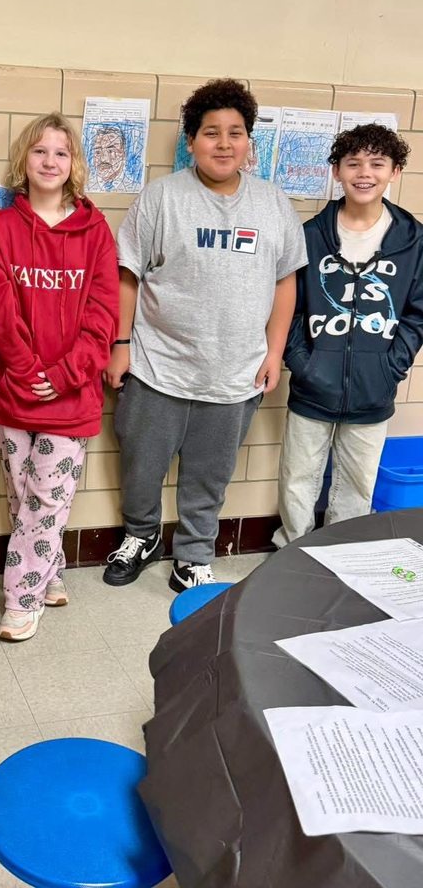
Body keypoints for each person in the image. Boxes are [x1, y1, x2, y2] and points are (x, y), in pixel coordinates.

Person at [103, 79, 307, 592]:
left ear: (249, 144)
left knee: (210, 475)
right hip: (157, 364)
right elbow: (128, 275)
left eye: (235, 133)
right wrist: (121, 345)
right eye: (210, 133)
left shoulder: (274, 205)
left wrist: (275, 353)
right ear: (191, 141)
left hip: (236, 369)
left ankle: (193, 554)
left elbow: (286, 283)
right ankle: (141, 535)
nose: (223, 143)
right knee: (142, 465)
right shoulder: (162, 197)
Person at [0, 113, 119, 641]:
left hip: (70, 395)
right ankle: (51, 569)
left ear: (74, 164)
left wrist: (63, 375)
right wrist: (25, 367)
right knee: (22, 496)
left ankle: (22, 599)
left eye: (60, 153)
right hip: (13, 387)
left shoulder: (96, 232)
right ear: (24, 161)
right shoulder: (0, 228)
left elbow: (104, 315)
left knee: (46, 498)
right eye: (40, 152)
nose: (50, 161)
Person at [274, 124, 423, 545]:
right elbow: (291, 307)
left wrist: (391, 367)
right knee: (298, 477)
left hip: (374, 390)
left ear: (394, 173)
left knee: (357, 483)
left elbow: (417, 313)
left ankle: (338, 558)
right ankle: (292, 554)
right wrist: (302, 363)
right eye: (353, 163)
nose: (365, 173)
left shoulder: (414, 242)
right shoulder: (309, 236)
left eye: (377, 163)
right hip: (312, 385)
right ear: (337, 171)